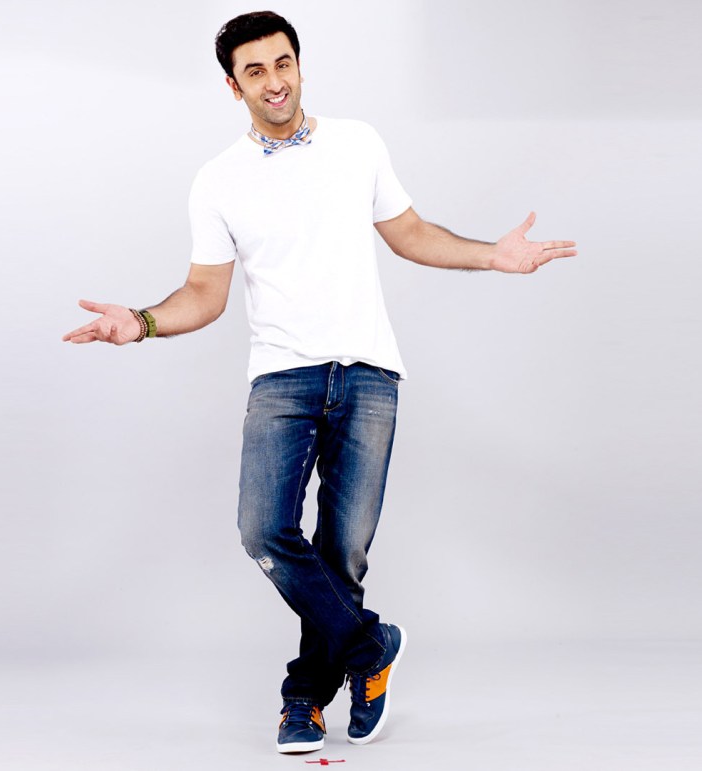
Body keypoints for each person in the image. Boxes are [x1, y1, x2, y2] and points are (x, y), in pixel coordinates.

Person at [62, 10, 576, 754]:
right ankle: (372, 647)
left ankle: (304, 700)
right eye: (254, 71)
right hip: (282, 377)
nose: (273, 82)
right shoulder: (217, 181)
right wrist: (138, 322)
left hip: (368, 373)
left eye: (282, 64)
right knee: (263, 531)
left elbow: (410, 234)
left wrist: (493, 254)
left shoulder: (357, 143)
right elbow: (204, 294)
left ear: (299, 66)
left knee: (343, 553)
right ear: (233, 87)